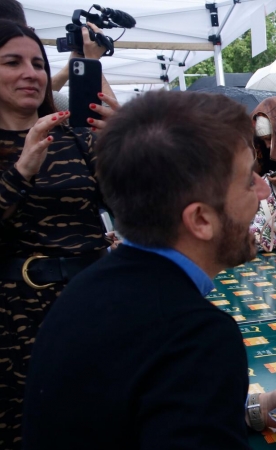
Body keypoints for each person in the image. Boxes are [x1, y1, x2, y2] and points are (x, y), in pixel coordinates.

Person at [22, 90, 276, 448]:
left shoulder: (88, 286)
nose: (264, 191)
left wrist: (251, 408)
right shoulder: (194, 336)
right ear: (200, 219)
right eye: (249, 179)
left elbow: (135, 413)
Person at [0, 19, 116, 448]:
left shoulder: (73, 138)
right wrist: (20, 172)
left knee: (100, 415)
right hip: (18, 319)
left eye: (37, 63)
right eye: (12, 62)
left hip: (91, 300)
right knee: (30, 427)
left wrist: (121, 145)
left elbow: (129, 206)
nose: (30, 73)